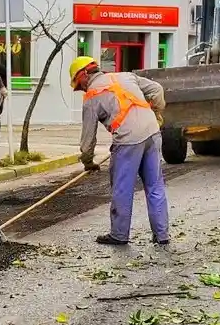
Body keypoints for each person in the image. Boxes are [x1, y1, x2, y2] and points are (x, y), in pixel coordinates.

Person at [70, 55, 169, 246]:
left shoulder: (91, 98)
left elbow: (87, 141)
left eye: (78, 84)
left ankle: (119, 234)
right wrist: (156, 112)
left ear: (83, 75)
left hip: (128, 140)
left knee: (122, 188)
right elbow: (157, 89)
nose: (80, 89)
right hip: (152, 132)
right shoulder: (125, 76)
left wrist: (88, 163)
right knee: (155, 186)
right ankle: (162, 235)